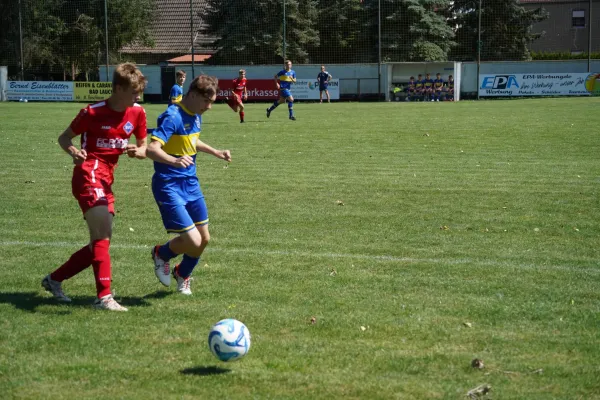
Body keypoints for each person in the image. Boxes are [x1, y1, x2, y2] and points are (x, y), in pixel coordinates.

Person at [41, 63, 148, 311]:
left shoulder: (138, 113)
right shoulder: (91, 112)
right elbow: (64, 137)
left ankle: (54, 279)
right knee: (101, 235)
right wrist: (73, 152)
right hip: (88, 173)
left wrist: (138, 151)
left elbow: (143, 146)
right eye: (134, 92)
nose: (138, 97)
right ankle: (104, 297)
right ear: (118, 89)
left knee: (99, 243)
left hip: (107, 178)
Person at [148, 75, 232, 295]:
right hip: (169, 185)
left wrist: (216, 152)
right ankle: (161, 254)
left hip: (191, 184)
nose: (210, 107)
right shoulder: (172, 116)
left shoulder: (195, 114)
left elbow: (191, 141)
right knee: (193, 240)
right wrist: (174, 160)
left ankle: (182, 274)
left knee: (204, 239)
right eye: (207, 101)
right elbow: (152, 149)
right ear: (193, 95)